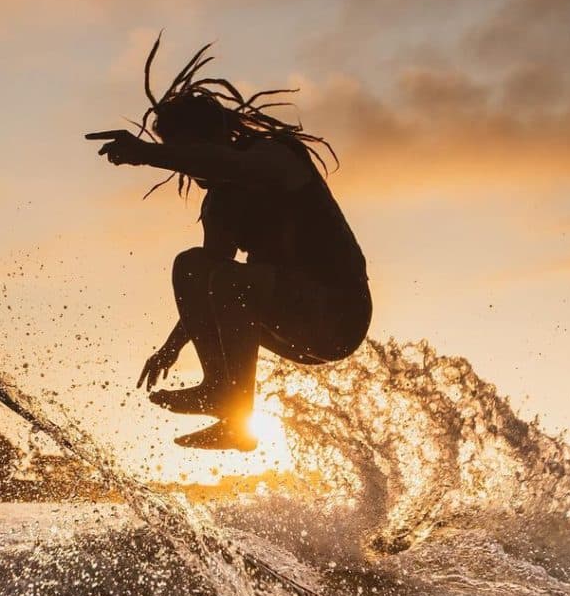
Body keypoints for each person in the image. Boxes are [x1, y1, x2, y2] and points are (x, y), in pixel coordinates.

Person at [87, 38, 371, 451]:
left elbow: (232, 165)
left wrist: (146, 155)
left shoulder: (276, 156)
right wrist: (171, 347)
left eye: (187, 151)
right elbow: (210, 292)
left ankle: (233, 406)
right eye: (173, 152)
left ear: (214, 138)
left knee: (232, 279)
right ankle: (222, 389)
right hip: (288, 321)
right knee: (193, 265)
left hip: (338, 314)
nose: (183, 160)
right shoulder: (220, 204)